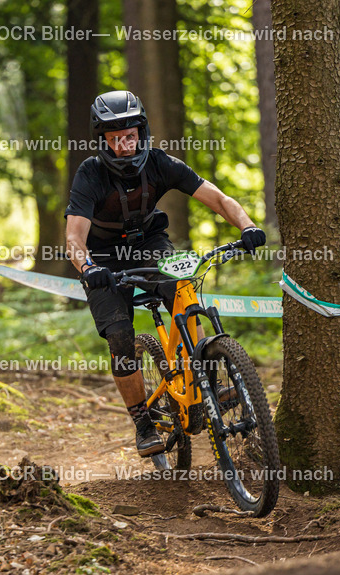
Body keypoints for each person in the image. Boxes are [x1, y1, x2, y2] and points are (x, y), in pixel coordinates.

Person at [64, 90, 265, 457]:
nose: (124, 145)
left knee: (184, 292)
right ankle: (143, 422)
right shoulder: (90, 174)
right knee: (120, 337)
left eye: (130, 135)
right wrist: (88, 267)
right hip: (103, 258)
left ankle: (208, 380)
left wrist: (248, 226)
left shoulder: (160, 163)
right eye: (115, 138)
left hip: (150, 244)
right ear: (102, 140)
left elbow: (218, 199)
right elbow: (74, 237)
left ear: (142, 132)